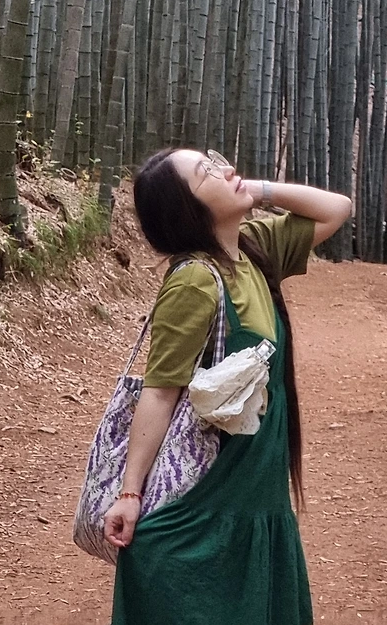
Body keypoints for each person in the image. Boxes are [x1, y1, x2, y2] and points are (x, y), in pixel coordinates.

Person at [106, 148, 352, 625]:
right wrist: (130, 494)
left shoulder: (255, 249)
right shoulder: (195, 281)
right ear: (189, 210)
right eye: (208, 174)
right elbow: (160, 392)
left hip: (258, 495)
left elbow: (336, 208)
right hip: (213, 497)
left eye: (216, 161)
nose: (227, 171)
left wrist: (251, 190)